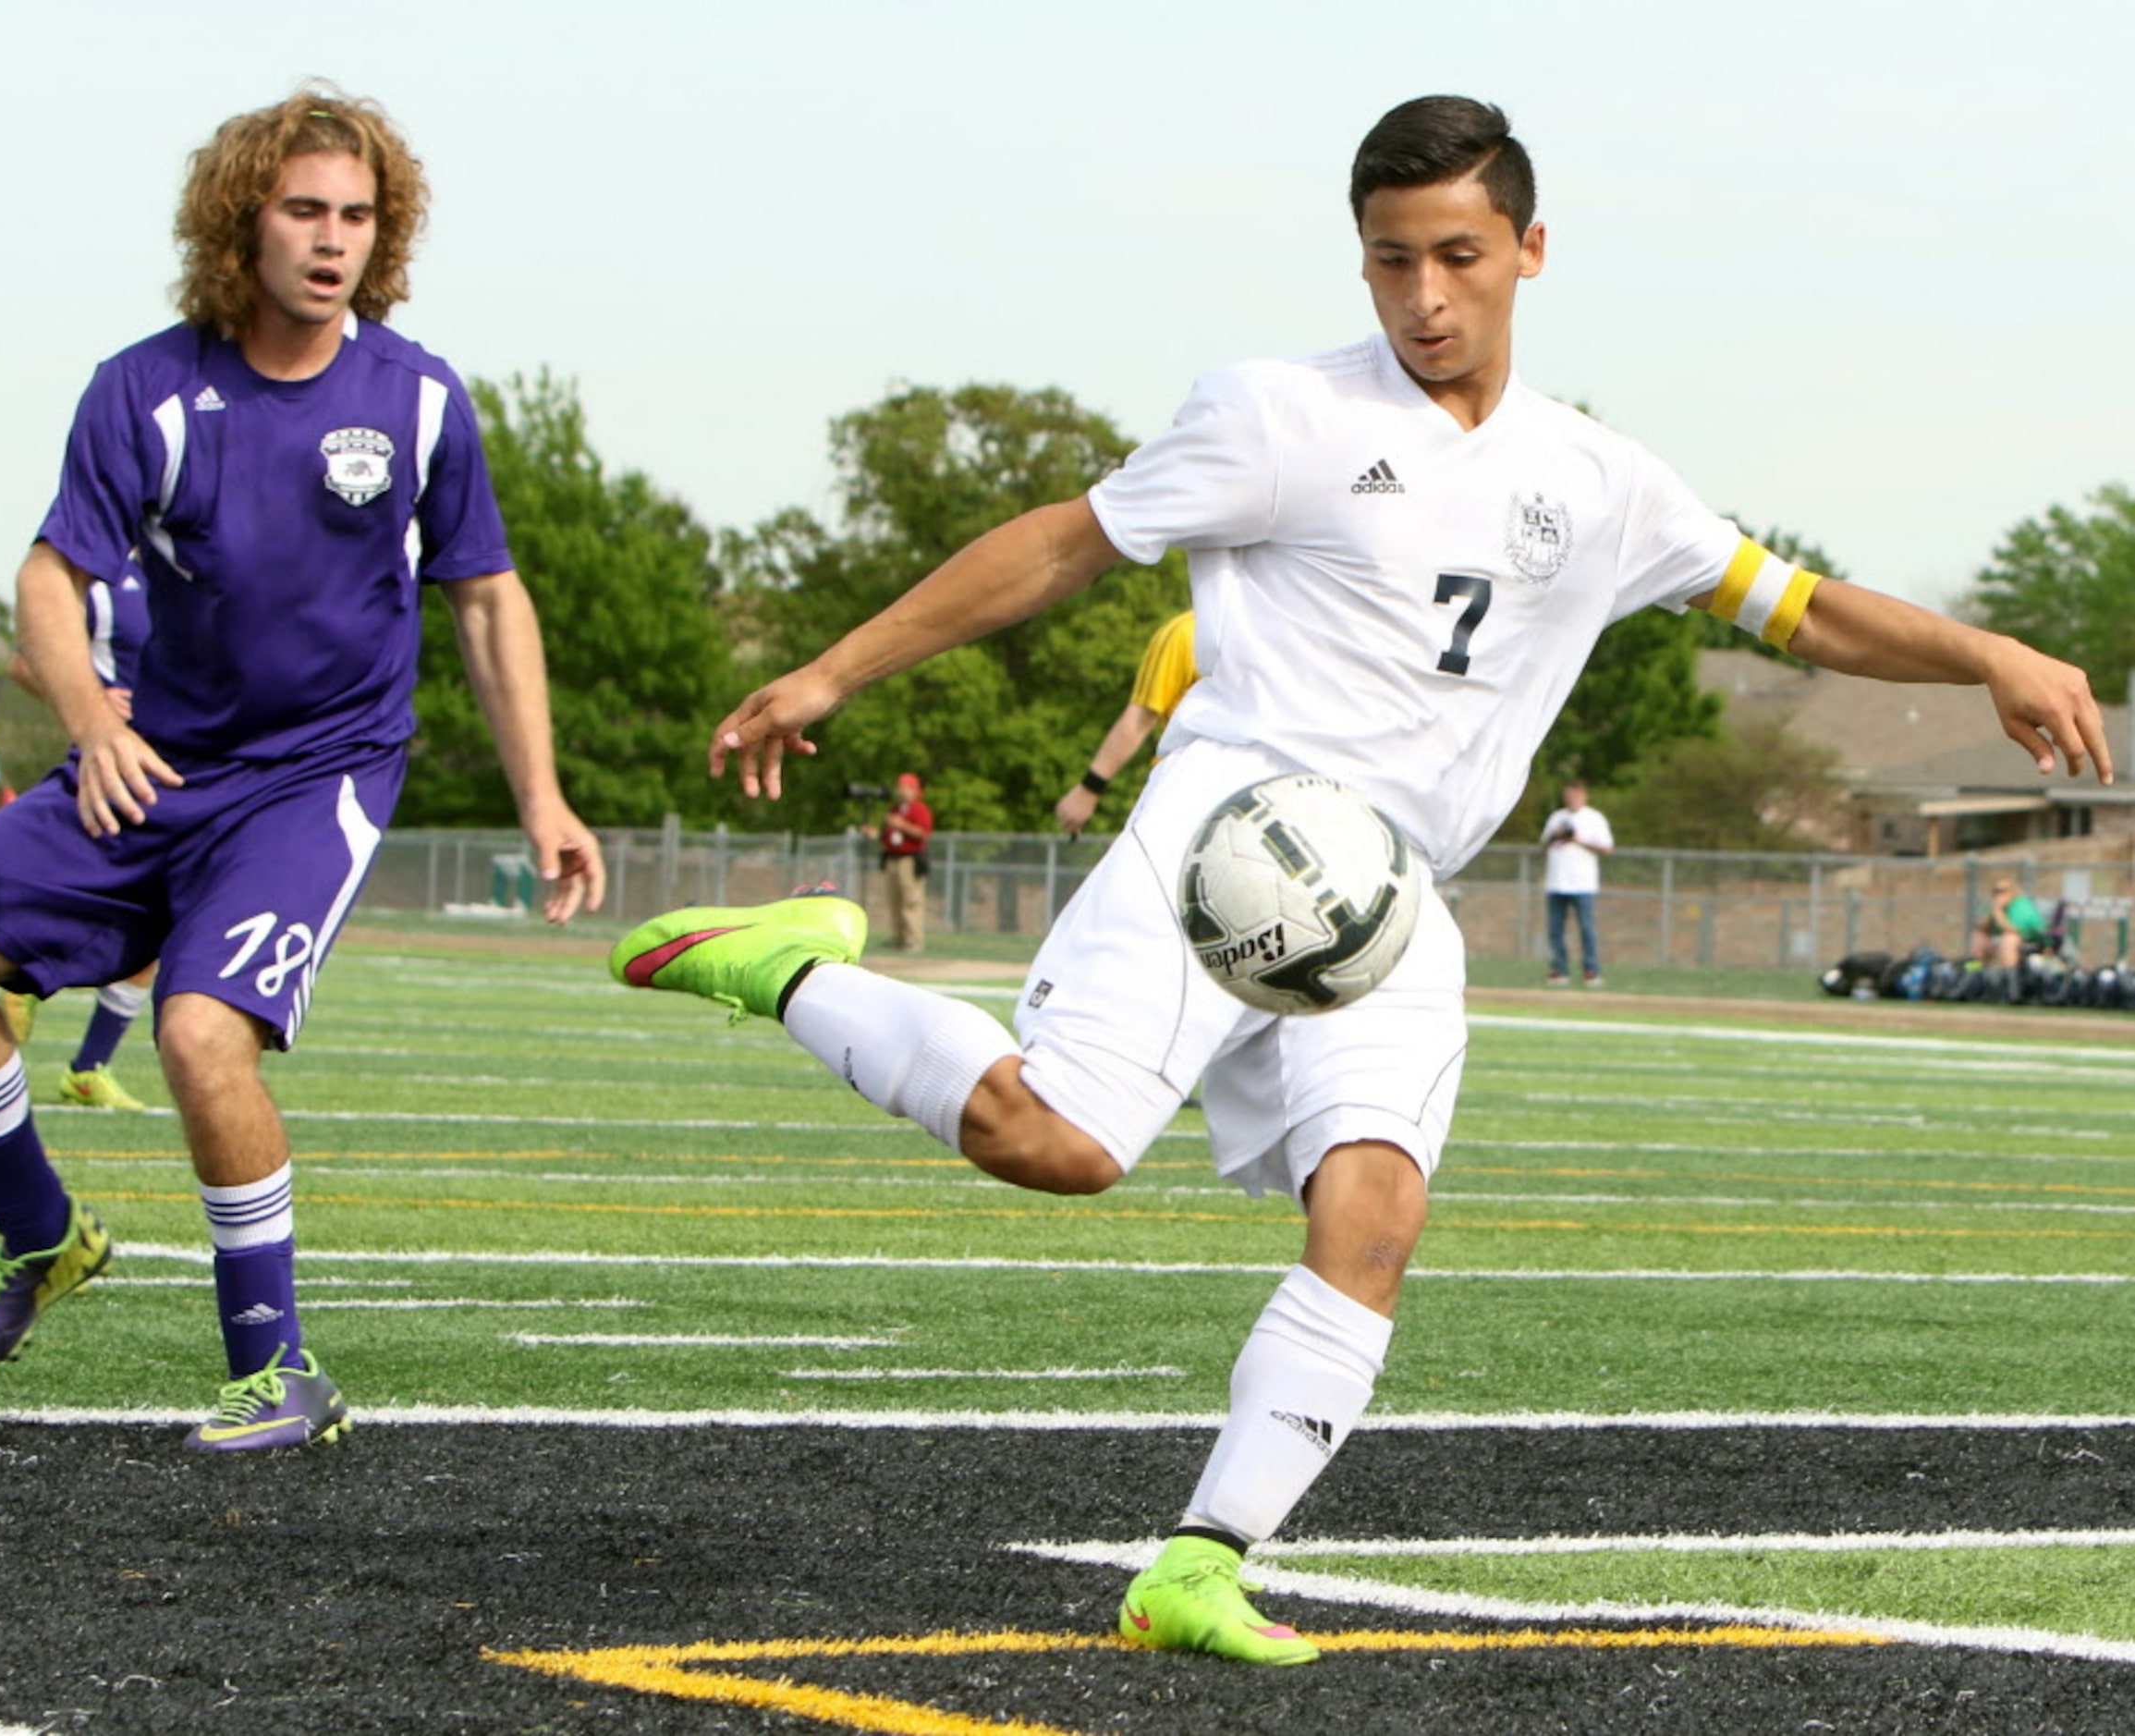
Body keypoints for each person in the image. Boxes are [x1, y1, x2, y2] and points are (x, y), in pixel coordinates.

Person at [608, 95, 2111, 1664]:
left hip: (1394, 900)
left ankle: (1198, 1560)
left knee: (1374, 1212)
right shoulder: (1276, 416)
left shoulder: (1603, 481)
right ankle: (779, 960)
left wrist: (1987, 650)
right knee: (1051, 1145)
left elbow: (1794, 610)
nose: (1423, 296)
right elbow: (1065, 543)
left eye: (1458, 255)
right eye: (1389, 261)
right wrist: (829, 673)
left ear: (1531, 250)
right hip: (1224, 836)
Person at [0, 84, 603, 1454]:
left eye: (358, 217)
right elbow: (48, 574)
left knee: (199, 1033)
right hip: (156, 764)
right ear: (239, 223)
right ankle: (44, 1237)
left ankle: (278, 1371)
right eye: (303, 210)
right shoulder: (143, 390)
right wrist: (92, 719)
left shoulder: (421, 399)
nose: (332, 241)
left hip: (313, 778)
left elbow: (488, 598)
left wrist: (542, 797)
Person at [4, 558, 159, 1110]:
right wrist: (90, 698)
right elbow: (24, 663)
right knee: (117, 907)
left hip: (180, 770)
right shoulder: (105, 583)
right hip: (114, 770)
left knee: (156, 928)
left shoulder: (206, 565)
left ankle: (88, 1068)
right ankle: (21, 979)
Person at [1055, 610, 1198, 837]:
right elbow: (1141, 718)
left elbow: (1140, 718)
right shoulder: (1189, 633)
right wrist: (1091, 787)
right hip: (1192, 792)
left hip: (1201, 794)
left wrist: (1088, 790)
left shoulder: (1188, 631)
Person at [1539, 778, 1613, 986]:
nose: (1571, 798)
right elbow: (1542, 845)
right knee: (1555, 930)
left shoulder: (1594, 818)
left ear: (1584, 795)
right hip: (1556, 882)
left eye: (1575, 794)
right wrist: (1555, 837)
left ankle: (1591, 970)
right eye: (1568, 795)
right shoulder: (1556, 817)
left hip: (1583, 884)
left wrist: (1577, 840)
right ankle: (1559, 969)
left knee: (1587, 929)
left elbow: (1607, 848)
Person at [878, 773, 934, 950]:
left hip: (909, 860)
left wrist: (901, 825)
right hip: (892, 857)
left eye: (906, 787)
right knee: (894, 900)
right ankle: (898, 938)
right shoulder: (895, 809)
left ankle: (913, 940)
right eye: (900, 787)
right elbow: (887, 836)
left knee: (911, 901)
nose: (901, 791)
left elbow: (922, 833)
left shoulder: (919, 809)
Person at [1971, 874, 2051, 970]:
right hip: (2000, 940)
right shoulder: (1991, 904)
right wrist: (1991, 914)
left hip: (2031, 940)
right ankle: (1976, 973)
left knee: (2009, 938)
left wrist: (1998, 912)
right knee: (1979, 937)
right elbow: (1980, 927)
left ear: (2013, 892)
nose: (1999, 894)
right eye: (1996, 891)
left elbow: (2015, 930)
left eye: (2003, 891)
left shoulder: (2020, 905)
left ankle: (2009, 976)